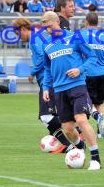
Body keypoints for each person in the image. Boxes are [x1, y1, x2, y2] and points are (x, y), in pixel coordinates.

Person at [40, 11, 101, 170]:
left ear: (57, 22)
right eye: (45, 28)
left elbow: (92, 57)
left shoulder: (74, 37)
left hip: (77, 85)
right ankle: (80, 146)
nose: (48, 30)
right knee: (67, 128)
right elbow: (47, 68)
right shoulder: (46, 45)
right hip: (59, 90)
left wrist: (80, 70)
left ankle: (96, 159)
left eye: (50, 26)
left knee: (81, 120)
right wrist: (46, 87)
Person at [12, 17, 73, 154]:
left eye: (17, 34)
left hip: (48, 80)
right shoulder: (36, 36)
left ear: (23, 29)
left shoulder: (34, 38)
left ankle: (73, 139)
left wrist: (32, 73)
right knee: (52, 114)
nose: (18, 37)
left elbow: (42, 57)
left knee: (46, 116)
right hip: (49, 80)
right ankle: (68, 142)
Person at [80, 13, 104, 138]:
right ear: (98, 23)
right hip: (103, 73)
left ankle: (94, 119)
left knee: (86, 101)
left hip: (87, 73)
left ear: (86, 22)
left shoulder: (81, 35)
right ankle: (100, 133)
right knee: (100, 102)